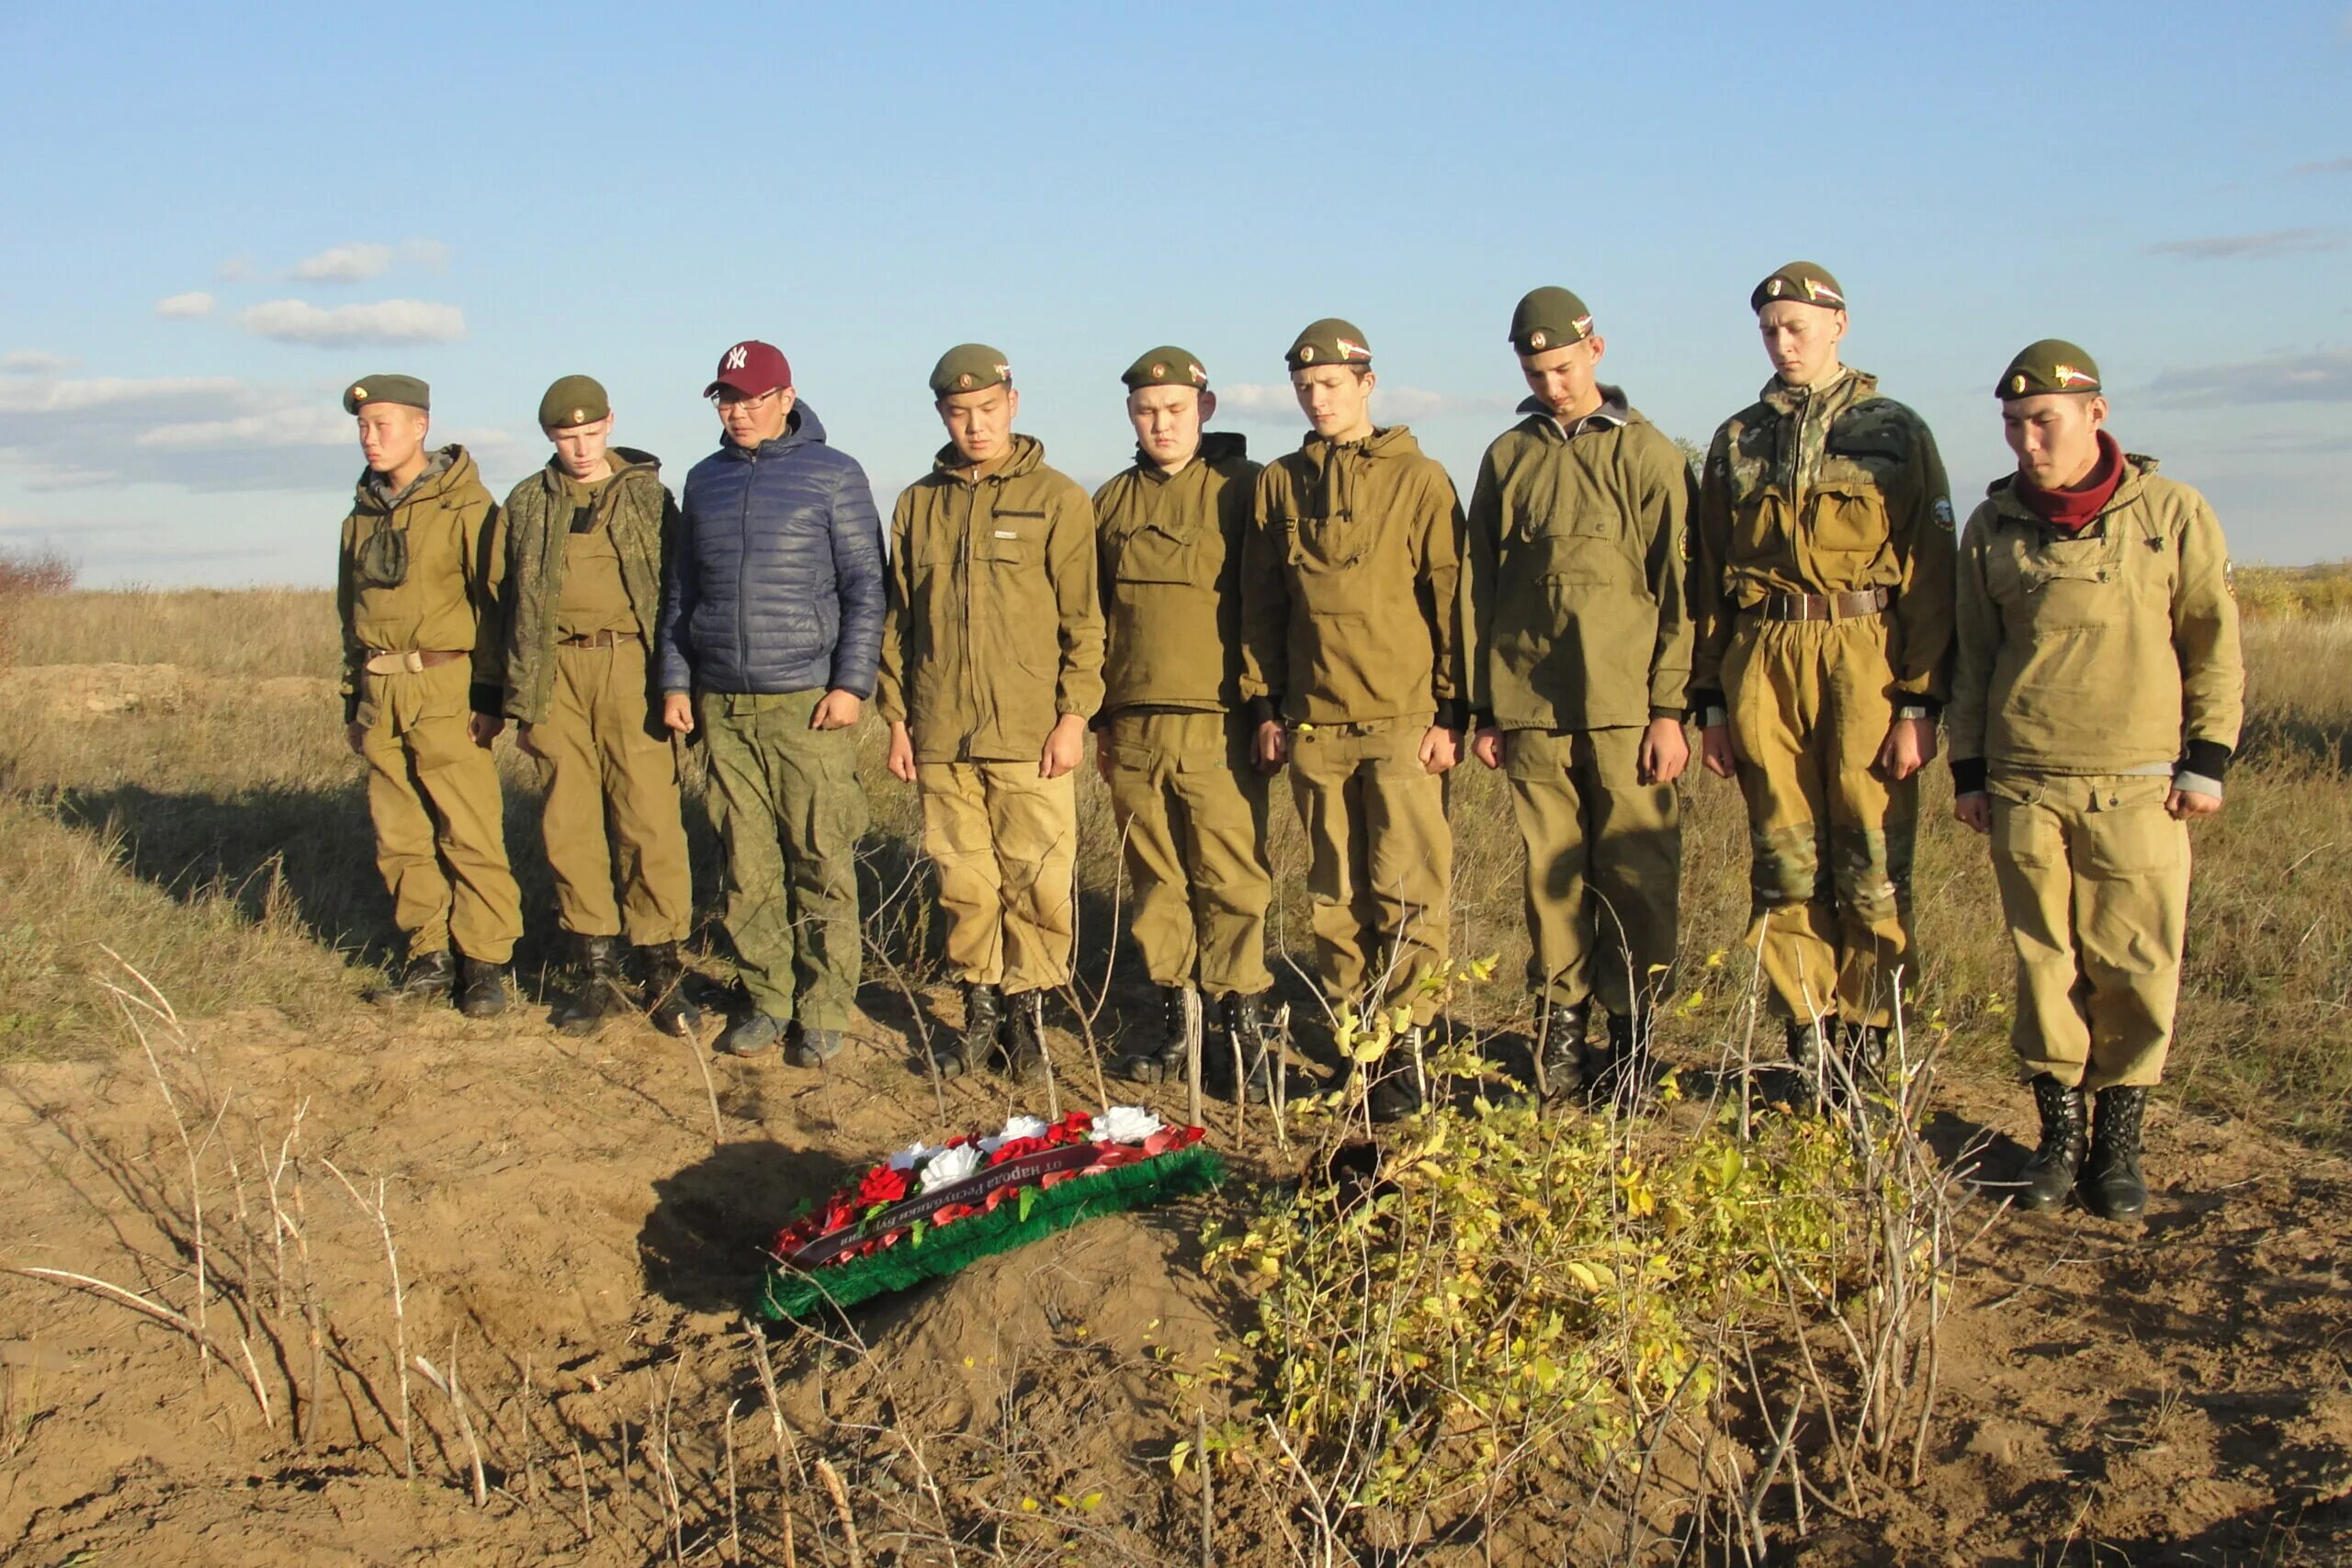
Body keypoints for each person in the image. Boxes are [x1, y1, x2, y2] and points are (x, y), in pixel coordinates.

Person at [1948, 340, 2243, 1221]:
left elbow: (2211, 645)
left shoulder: (2172, 513)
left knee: (2136, 963)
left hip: (2140, 782)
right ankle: (2057, 1135)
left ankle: (2118, 1142)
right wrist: (1970, 770)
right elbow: (1975, 658)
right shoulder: (1992, 525)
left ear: (2095, 415)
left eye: (2043, 421)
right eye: (2012, 424)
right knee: (2045, 964)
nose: (2027, 441)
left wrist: (2208, 759)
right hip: (2025, 779)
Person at [1688, 263, 1955, 1102]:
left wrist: (1917, 699)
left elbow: (1930, 571)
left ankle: (1871, 1035)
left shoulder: (1894, 432)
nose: (1784, 340)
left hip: (1862, 653)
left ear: (1839, 324)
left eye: (1798, 324)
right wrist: (1712, 700)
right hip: (1765, 653)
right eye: (1770, 327)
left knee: (1870, 855)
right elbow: (1708, 578)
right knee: (1784, 859)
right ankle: (1810, 1036)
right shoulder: (1737, 440)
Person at [1465, 288, 1693, 1106]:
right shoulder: (1506, 458)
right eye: (1537, 370)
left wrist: (1671, 708)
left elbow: (1679, 587)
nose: (1553, 383)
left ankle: (1632, 1043)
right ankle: (1560, 1039)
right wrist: (1484, 709)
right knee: (1548, 882)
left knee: (1636, 878)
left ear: (1597, 351)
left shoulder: (1648, 454)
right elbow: (1479, 588)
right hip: (1531, 710)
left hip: (1628, 710)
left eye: (1563, 366)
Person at [1239, 318, 1464, 1122]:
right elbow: (1261, 606)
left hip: (1403, 719)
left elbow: (1450, 602)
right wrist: (1265, 704)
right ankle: (1354, 1045)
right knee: (1334, 897)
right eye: (1304, 387)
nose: (1317, 397)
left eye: (1332, 384)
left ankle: (1406, 1055)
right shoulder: (1279, 483)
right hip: (1313, 722)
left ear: (1368, 384)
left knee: (1406, 892)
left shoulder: (1421, 478)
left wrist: (1450, 712)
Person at [876, 344, 1104, 1078]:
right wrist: (899, 718)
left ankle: (1028, 1013)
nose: (974, 424)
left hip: (1029, 731)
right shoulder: (916, 502)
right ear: (942, 413)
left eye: (986, 408)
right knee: (964, 879)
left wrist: (1074, 716)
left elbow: (1086, 623)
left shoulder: (1058, 497)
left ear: (1013, 400)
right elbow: (898, 623)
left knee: (1037, 876)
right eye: (957, 411)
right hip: (941, 729)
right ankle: (978, 1008)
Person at [658, 341, 885, 1065]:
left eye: (752, 398)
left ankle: (823, 1008)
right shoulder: (705, 480)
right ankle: (766, 997)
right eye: (726, 399)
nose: (738, 411)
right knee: (746, 864)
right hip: (723, 702)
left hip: (807, 703)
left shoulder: (834, 475)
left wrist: (851, 684)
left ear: (786, 398)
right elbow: (681, 592)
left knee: (819, 856)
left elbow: (865, 587)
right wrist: (675, 679)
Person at [1091, 346, 1275, 1099]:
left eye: (1174, 409)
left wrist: (1268, 707)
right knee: (1158, 881)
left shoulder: (1246, 490)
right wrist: (1097, 719)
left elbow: (1269, 603)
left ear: (1205, 407)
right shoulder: (1108, 501)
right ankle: (1180, 1022)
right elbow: (1092, 615)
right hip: (1133, 723)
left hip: (1219, 722)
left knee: (1230, 879)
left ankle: (1244, 1027)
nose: (1161, 424)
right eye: (1146, 411)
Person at [502, 375, 698, 1036]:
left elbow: (679, 588)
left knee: (649, 817)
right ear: (550, 438)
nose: (580, 447)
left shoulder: (648, 495)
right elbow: (511, 605)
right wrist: (521, 697)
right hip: (556, 671)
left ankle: (662, 966)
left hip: (632, 666)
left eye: (590, 433)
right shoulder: (528, 502)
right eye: (566, 437)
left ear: (610, 424)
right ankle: (595, 969)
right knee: (570, 821)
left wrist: (679, 678)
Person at [335, 374, 520, 1017]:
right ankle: (428, 954)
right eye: (362, 426)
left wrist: (491, 695)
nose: (369, 437)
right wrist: (352, 703)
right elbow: (346, 617)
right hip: (379, 689)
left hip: (446, 683)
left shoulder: (466, 508)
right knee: (400, 834)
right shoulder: (357, 518)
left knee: (467, 827)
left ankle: (486, 961)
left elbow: (497, 606)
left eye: (383, 424)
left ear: (420, 427)